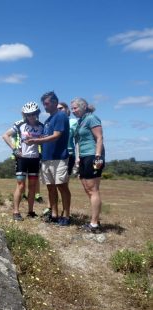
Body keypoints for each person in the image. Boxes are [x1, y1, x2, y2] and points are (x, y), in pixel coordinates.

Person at [26, 91, 71, 226]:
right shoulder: (48, 120)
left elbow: (56, 135)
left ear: (54, 102)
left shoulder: (60, 116)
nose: (44, 107)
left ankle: (67, 215)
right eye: (43, 104)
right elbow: (46, 137)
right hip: (46, 158)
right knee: (51, 188)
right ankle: (54, 214)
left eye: (46, 103)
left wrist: (35, 141)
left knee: (62, 186)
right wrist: (35, 138)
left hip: (59, 158)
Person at [2, 101, 45, 221]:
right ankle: (16, 212)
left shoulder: (41, 126)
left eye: (33, 114)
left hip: (35, 159)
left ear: (37, 113)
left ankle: (31, 211)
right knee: (21, 186)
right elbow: (5, 135)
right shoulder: (19, 124)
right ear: (25, 115)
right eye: (28, 114)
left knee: (32, 187)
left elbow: (45, 141)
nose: (31, 116)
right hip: (22, 159)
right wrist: (14, 149)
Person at [71, 97, 105, 233]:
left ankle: (94, 224)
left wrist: (97, 156)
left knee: (93, 189)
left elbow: (99, 137)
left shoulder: (92, 118)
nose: (73, 110)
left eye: (75, 108)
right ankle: (95, 219)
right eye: (72, 108)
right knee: (87, 189)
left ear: (84, 106)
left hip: (93, 156)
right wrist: (78, 157)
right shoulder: (81, 121)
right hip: (84, 157)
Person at [58, 102, 78, 176]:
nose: (58, 110)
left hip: (69, 154)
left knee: (64, 181)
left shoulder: (73, 122)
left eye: (60, 108)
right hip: (56, 155)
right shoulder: (52, 122)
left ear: (66, 109)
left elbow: (77, 140)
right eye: (56, 109)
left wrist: (78, 157)